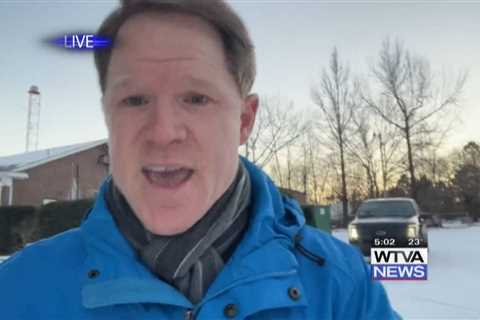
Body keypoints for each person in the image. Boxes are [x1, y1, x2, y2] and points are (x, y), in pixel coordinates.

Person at [0, 0, 400, 319]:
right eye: (134, 100)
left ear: (244, 120)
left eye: (196, 99)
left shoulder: (341, 286)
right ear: (107, 114)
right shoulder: (18, 292)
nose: (162, 131)